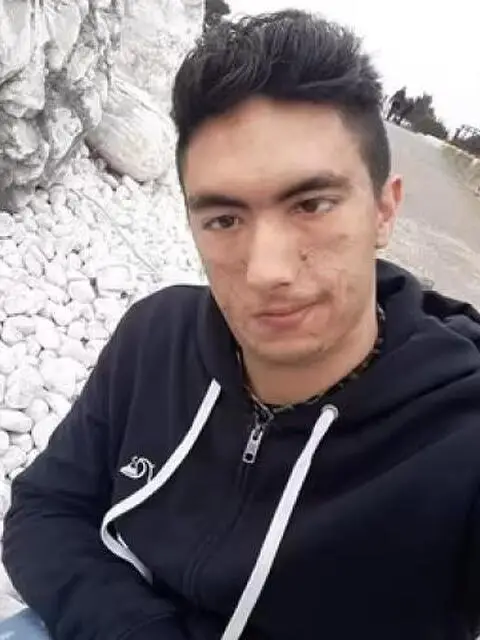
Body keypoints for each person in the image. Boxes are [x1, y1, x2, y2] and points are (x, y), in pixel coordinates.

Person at [3, 10, 480, 640]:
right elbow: (43, 510)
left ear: (384, 210)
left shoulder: (459, 434)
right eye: (225, 219)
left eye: (311, 204)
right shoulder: (155, 336)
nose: (266, 271)